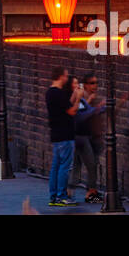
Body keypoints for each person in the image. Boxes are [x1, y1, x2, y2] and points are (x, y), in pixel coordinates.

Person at [46, 66, 82, 207]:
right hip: (65, 135)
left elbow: (65, 106)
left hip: (56, 134)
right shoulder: (59, 94)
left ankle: (53, 196)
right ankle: (62, 196)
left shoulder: (51, 92)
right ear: (61, 76)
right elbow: (72, 111)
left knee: (55, 167)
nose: (67, 79)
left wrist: (73, 95)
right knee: (64, 167)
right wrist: (78, 98)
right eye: (66, 76)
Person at [70, 73, 106, 204]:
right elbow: (79, 117)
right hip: (79, 137)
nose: (77, 87)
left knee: (79, 165)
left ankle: (74, 192)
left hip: (83, 137)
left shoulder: (82, 101)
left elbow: (90, 110)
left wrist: (102, 107)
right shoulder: (74, 101)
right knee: (88, 165)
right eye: (75, 85)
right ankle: (87, 193)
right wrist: (97, 108)